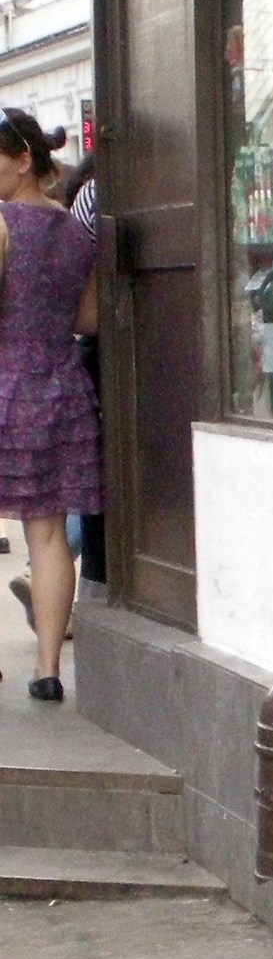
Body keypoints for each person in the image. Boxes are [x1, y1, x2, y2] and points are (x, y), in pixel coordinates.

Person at [0, 110, 99, 700]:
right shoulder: (75, 229)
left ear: (21, 159)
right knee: (48, 536)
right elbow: (89, 318)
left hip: (6, 383)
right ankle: (48, 671)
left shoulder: (2, 224)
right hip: (61, 387)